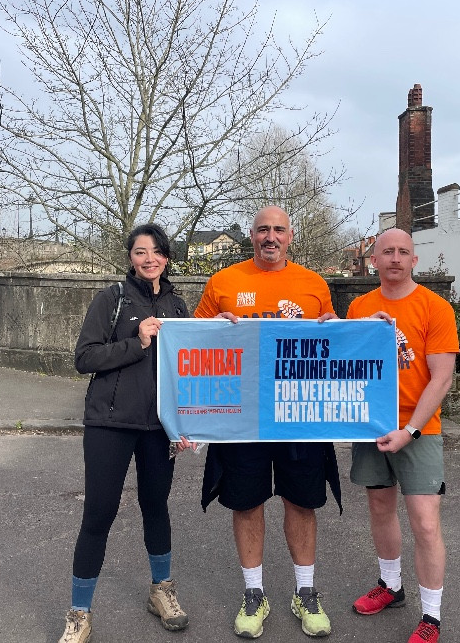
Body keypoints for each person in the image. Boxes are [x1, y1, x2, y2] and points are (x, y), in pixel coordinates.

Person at [188, 205, 341, 639]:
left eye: (278, 230)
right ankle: (254, 593)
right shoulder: (223, 281)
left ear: (290, 236)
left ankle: (305, 592)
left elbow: (331, 343)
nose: (270, 237)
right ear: (251, 236)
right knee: (246, 502)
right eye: (262, 230)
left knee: (302, 502)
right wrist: (212, 326)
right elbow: (191, 342)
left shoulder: (314, 284)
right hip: (242, 414)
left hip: (299, 413)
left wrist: (339, 328)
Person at [59, 223, 192, 643]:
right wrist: (138, 343)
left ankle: (161, 591)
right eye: (140, 252)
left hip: (159, 429)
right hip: (110, 423)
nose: (149, 259)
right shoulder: (111, 298)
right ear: (130, 257)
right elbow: (84, 357)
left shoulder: (178, 305)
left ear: (167, 257)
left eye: (157, 251)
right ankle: (79, 614)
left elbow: (190, 370)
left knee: (156, 507)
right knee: (99, 514)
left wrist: (188, 422)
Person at [346, 228, 459, 643]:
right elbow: (346, 363)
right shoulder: (359, 306)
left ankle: (431, 617)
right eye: (387, 251)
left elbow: (441, 378)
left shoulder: (435, 307)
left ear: (414, 260)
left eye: (403, 252)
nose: (395, 258)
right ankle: (391, 586)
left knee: (425, 524)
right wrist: (336, 328)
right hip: (372, 425)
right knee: (380, 508)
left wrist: (410, 431)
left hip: (418, 429)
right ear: (373, 260)